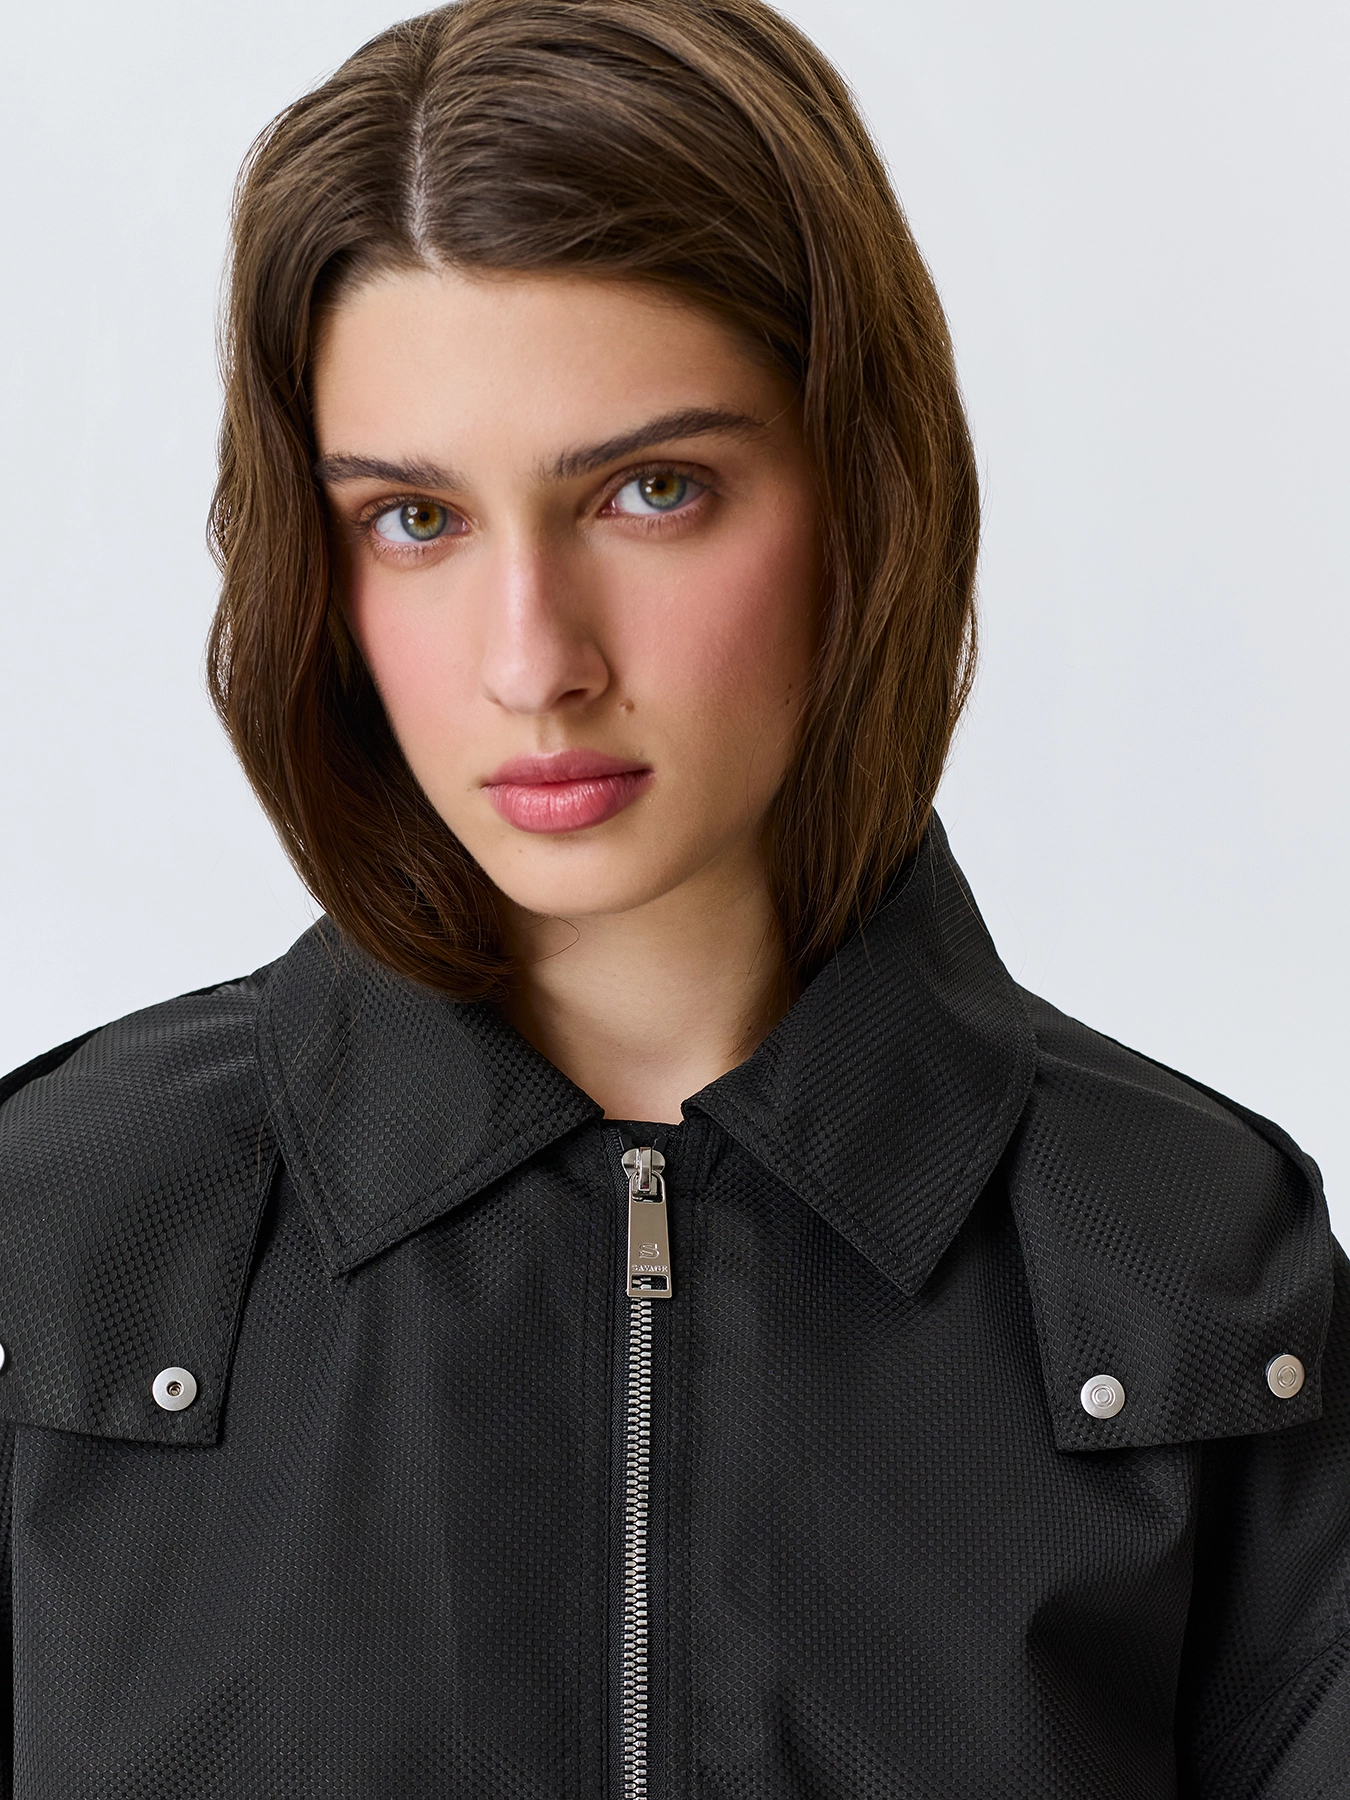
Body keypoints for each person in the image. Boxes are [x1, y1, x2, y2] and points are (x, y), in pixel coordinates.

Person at [0, 0, 1345, 1792]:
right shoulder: (65, 1237)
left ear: (863, 495)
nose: (531, 662)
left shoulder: (1181, 1267)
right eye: (415, 519)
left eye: (650, 490)